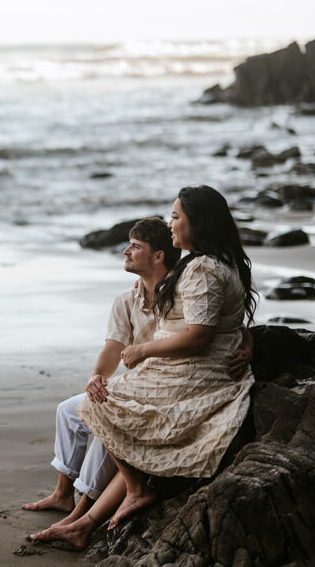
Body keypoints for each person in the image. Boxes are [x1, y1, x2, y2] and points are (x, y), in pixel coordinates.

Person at [76, 185, 257, 531]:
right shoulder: (220, 262)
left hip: (195, 372)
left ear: (197, 223)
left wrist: (143, 350)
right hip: (201, 368)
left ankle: (136, 489)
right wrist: (248, 343)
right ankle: (86, 515)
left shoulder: (203, 268)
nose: (170, 224)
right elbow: (227, 322)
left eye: (176, 217)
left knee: (95, 403)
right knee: (100, 398)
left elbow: (200, 336)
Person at [22, 218, 179, 523]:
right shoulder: (125, 300)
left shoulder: (179, 293)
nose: (125, 251)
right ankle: (62, 495)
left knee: (104, 416)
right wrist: (97, 377)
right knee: (69, 410)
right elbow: (112, 348)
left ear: (158, 256)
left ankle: (86, 508)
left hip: (165, 387)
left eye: (135, 246)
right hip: (138, 383)